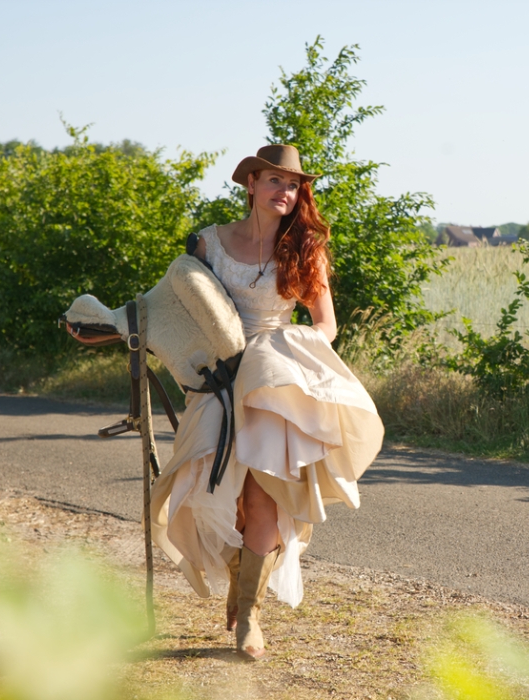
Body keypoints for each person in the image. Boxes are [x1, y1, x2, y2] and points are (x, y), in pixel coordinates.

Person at [147, 144, 384, 660]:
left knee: (264, 499)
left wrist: (289, 349)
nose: (285, 191)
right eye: (275, 180)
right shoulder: (208, 243)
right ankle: (240, 577)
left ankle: (249, 617)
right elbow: (175, 306)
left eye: (293, 185)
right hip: (221, 381)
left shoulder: (303, 248)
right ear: (251, 184)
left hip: (275, 383)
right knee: (216, 496)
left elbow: (326, 324)